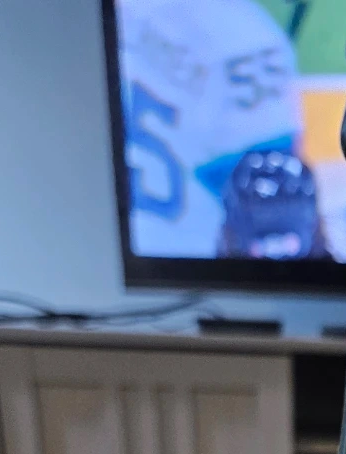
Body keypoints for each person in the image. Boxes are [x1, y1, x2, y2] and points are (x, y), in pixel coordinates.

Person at [118, 0, 323, 259]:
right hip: (192, 266)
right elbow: (277, 199)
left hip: (95, 252)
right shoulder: (246, 38)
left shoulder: (88, 20)